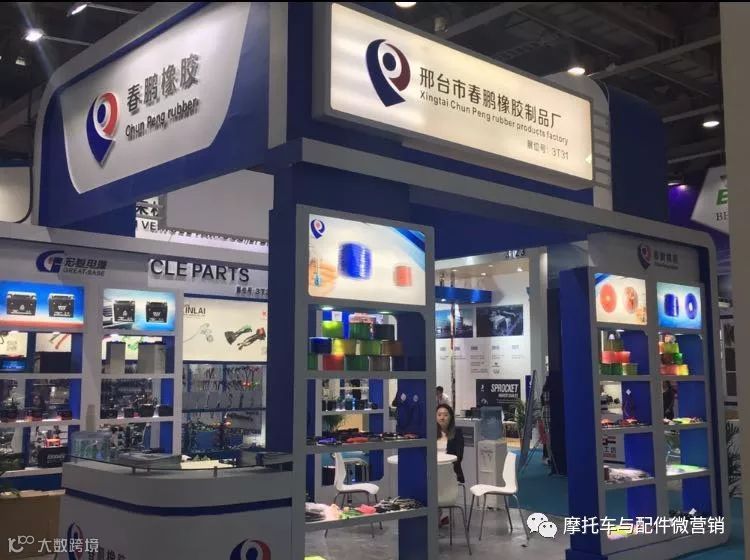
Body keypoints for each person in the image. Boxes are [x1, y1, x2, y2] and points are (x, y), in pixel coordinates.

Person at [436, 403, 464, 483]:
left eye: (445, 415)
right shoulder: (430, 434)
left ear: (451, 417)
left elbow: (459, 457)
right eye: (439, 415)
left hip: (450, 470)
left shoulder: (457, 433)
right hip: (433, 470)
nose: (442, 418)